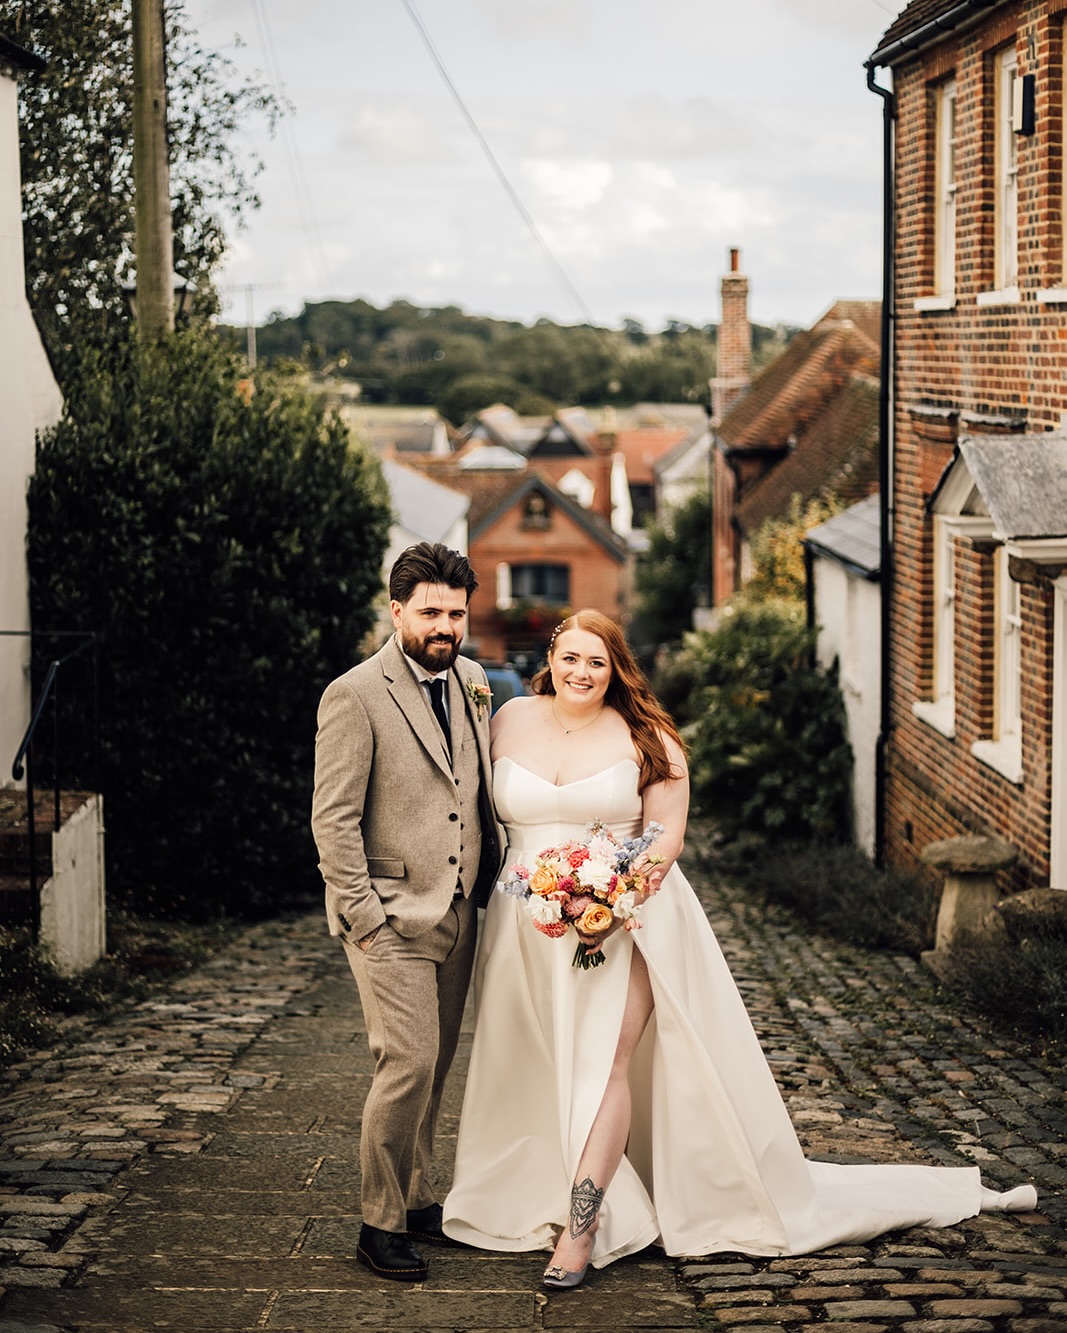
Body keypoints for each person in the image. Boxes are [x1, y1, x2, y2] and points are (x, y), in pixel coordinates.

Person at [442, 609, 1038, 1289]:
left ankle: (580, 1232)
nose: (582, 672)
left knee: (605, 1064)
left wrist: (611, 904)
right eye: (571, 657)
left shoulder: (649, 737)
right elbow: (471, 813)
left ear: (617, 668)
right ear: (551, 654)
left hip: (625, 923)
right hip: (522, 924)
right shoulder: (506, 720)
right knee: (536, 1064)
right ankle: (531, 1191)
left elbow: (664, 838)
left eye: (597, 662)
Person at [312, 542, 502, 1283]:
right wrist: (363, 917)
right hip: (386, 915)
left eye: (455, 612)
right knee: (408, 1061)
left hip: (459, 909)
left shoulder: (476, 681)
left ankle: (418, 1196)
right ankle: (378, 1223)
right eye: (429, 611)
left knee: (438, 1064)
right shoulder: (353, 694)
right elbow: (331, 821)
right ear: (396, 612)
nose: (444, 624)